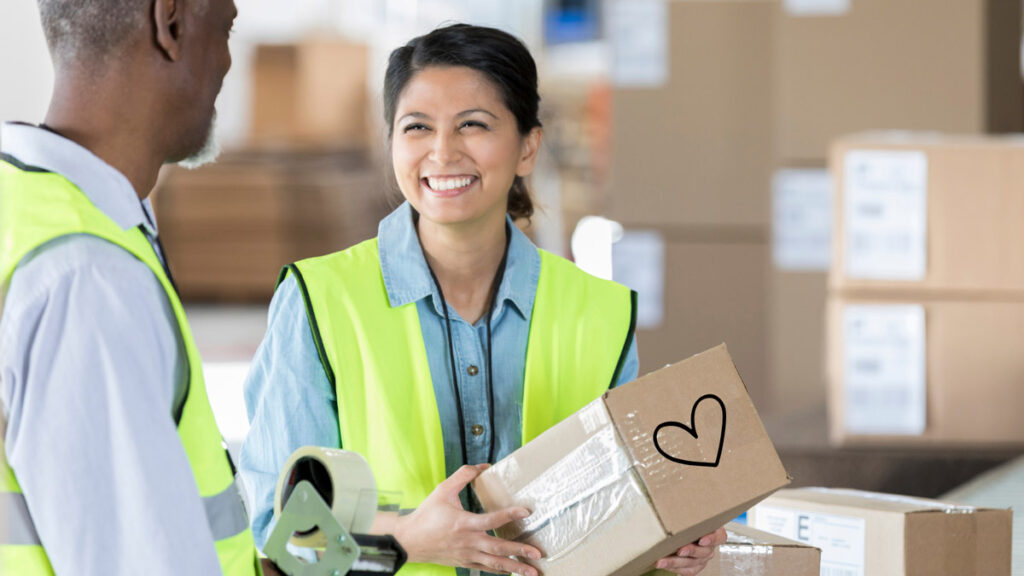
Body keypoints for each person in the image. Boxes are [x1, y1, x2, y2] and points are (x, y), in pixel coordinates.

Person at [241, 23, 726, 576]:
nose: (442, 151)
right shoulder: (320, 302)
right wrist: (406, 539)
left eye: (472, 125)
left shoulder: (601, 313)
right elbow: (279, 537)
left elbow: (622, 514)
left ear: (527, 147)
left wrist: (670, 544)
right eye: (417, 127)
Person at [0, 0, 269, 574]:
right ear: (169, 23)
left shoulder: (18, 200)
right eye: (225, 28)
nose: (225, 62)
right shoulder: (89, 278)